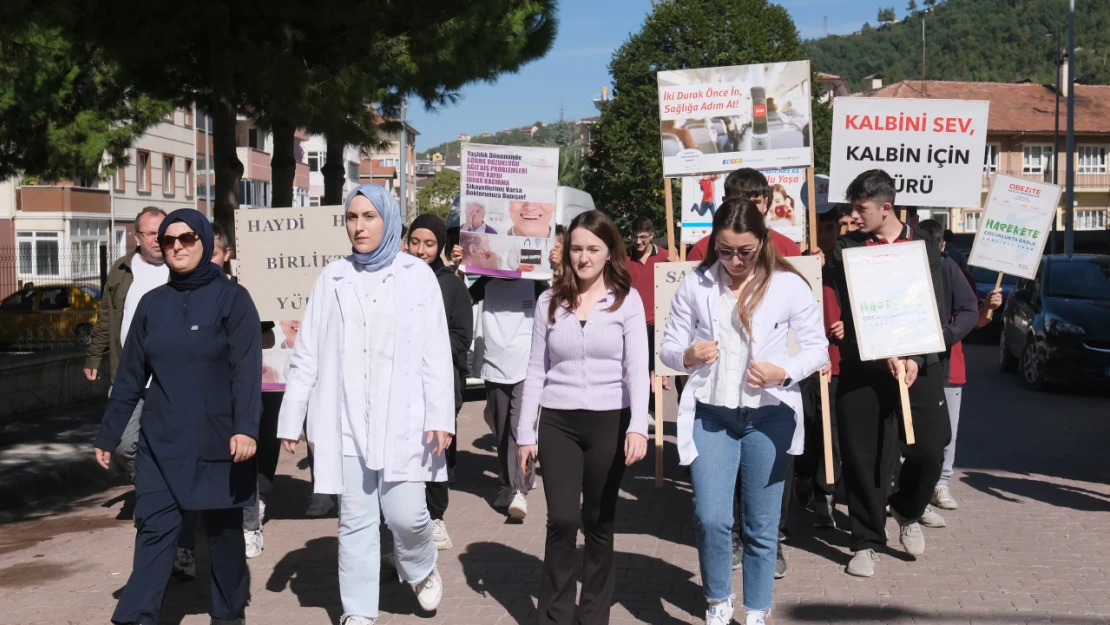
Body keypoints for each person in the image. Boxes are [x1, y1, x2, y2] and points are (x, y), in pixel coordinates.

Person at [277, 184, 453, 625]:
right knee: (354, 521)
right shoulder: (332, 277)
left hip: (404, 420)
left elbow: (435, 351)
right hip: (348, 421)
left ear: (389, 219)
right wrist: (291, 417)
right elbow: (308, 353)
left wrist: (440, 416)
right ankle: (358, 611)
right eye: (352, 217)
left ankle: (419, 565)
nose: (359, 226)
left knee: (407, 515)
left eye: (369, 216)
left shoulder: (417, 275)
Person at [660, 198, 827, 625]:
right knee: (711, 517)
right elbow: (667, 349)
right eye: (724, 249)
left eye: (745, 251)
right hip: (712, 415)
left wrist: (782, 371)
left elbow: (816, 349)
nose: (734, 259)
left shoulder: (788, 286)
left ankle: (756, 610)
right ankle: (717, 601)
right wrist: (688, 355)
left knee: (761, 524)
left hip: (769, 416)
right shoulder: (695, 286)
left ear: (763, 242)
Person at [92, 208, 262, 625]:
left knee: (223, 538)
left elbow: (246, 370)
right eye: (169, 241)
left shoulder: (233, 299)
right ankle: (135, 616)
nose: (177, 247)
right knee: (153, 529)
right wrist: (108, 434)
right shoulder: (152, 305)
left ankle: (228, 614)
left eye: (187, 239)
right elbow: (130, 375)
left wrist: (246, 428)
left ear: (205, 242)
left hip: (220, 444)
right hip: (161, 443)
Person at [517, 210, 649, 625]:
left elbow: (636, 369)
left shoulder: (627, 301)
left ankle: (593, 615)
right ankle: (555, 616)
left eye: (593, 248)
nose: (584, 257)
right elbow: (536, 369)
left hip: (609, 420)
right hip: (557, 421)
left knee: (598, 521)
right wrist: (525, 433)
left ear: (610, 252)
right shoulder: (548, 301)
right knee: (562, 519)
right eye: (576, 248)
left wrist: (638, 427)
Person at [828, 170, 952, 578]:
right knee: (864, 456)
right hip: (865, 367)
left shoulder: (923, 245)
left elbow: (933, 303)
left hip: (918, 366)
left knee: (930, 448)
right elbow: (848, 309)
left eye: (860, 208)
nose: (853, 215)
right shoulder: (846, 248)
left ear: (886, 208)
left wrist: (915, 357)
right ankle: (865, 540)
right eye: (851, 207)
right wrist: (870, 347)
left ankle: (906, 507)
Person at [452, 244, 546, 520]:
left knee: (521, 428)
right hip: (495, 364)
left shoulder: (534, 281)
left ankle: (522, 490)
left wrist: (557, 264)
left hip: (528, 364)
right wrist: (458, 267)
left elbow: (559, 298)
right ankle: (508, 483)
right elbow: (461, 299)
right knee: (503, 428)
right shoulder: (487, 280)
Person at [407, 213, 474, 550]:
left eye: (429, 244)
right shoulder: (396, 281)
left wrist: (424, 344)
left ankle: (436, 516)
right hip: (402, 387)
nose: (421, 250)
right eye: (415, 242)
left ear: (440, 247)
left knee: (436, 453)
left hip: (442, 386)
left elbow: (462, 338)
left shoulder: (452, 286)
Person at [908, 219, 980, 530]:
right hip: (893, 364)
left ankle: (929, 490)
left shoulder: (950, 269)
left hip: (938, 367)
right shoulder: (896, 263)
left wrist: (945, 335)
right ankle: (900, 495)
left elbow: (970, 313)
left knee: (936, 437)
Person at [793, 208, 846, 530]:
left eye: (831, 227)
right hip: (803, 366)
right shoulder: (797, 265)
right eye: (820, 228)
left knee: (833, 435)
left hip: (838, 364)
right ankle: (803, 476)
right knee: (807, 432)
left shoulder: (847, 264)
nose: (826, 234)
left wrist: (848, 326)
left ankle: (825, 496)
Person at [689, 169, 801, 261]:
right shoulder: (702, 251)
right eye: (738, 201)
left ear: (765, 204)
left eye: (754, 203)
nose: (746, 209)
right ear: (724, 203)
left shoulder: (787, 249)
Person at [626, 217, 670, 421]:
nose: (638, 242)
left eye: (643, 237)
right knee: (637, 368)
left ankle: (651, 411)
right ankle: (637, 409)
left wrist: (675, 265)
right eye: (635, 237)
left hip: (656, 322)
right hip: (632, 322)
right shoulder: (624, 257)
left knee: (655, 368)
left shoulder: (664, 257)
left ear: (652, 236)